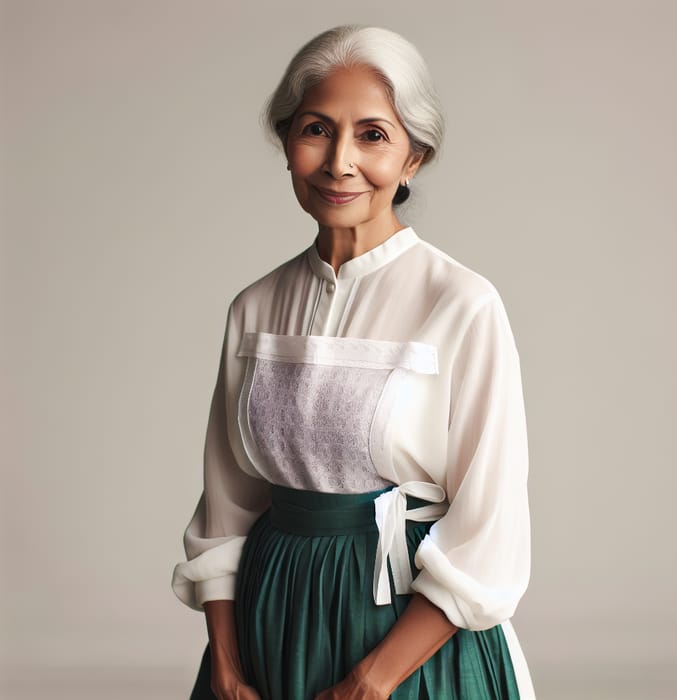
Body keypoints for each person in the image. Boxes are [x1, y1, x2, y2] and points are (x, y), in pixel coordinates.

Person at [171, 24, 535, 700]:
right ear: (286, 144)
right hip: (267, 625)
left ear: (413, 158)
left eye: (372, 135)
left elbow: (489, 530)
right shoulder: (254, 308)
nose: (340, 162)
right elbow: (224, 511)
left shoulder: (462, 304)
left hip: (410, 640)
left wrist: (374, 679)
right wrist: (223, 662)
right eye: (316, 129)